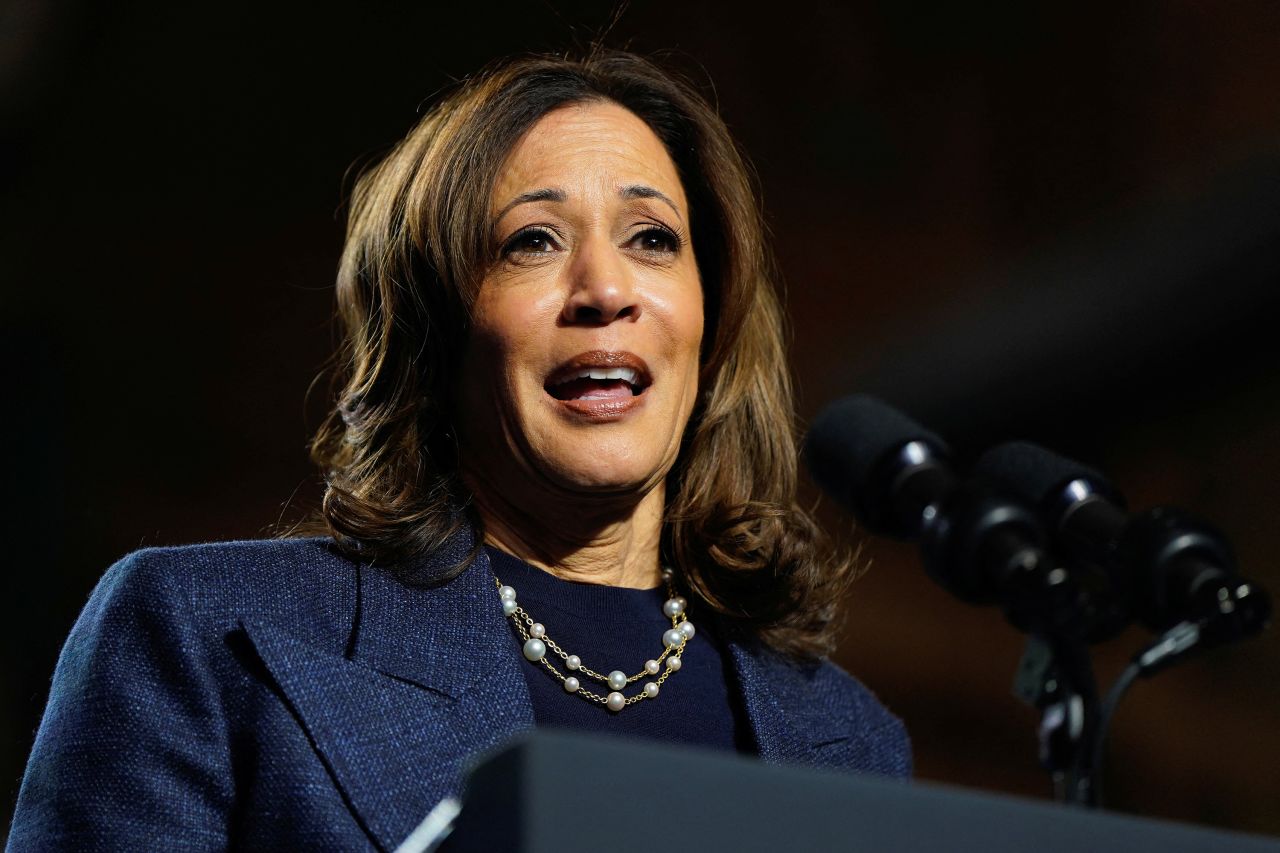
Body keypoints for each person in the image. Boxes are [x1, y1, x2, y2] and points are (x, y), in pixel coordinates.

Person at [8, 50, 909, 850]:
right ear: (435, 333)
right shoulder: (205, 636)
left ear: (708, 329)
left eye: (652, 240)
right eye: (532, 242)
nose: (604, 288)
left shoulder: (851, 739)